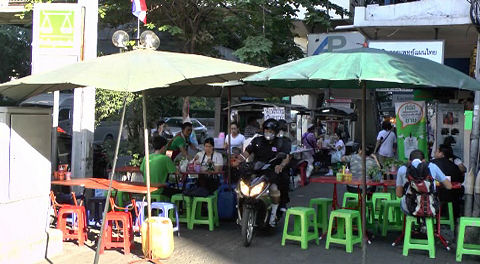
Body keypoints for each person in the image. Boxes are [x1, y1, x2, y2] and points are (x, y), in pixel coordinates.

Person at [233, 118, 291, 227]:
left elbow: (286, 157)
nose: (268, 133)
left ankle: (273, 217)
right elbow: (246, 153)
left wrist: (281, 165)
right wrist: (239, 160)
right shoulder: (257, 141)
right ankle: (240, 213)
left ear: (276, 132)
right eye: (266, 130)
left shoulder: (280, 143)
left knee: (274, 189)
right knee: (240, 187)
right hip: (256, 170)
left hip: (272, 172)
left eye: (271, 131)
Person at [396, 149, 452, 216]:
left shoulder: (402, 169)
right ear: (424, 160)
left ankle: (411, 224)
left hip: (409, 208)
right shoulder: (432, 166)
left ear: (409, 160)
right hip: (430, 208)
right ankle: (427, 224)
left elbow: (399, 194)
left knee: (403, 202)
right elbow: (449, 186)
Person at [432, 144, 464, 220]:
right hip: (450, 197)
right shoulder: (454, 166)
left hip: (435, 196)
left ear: (441, 153)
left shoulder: (432, 164)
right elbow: (460, 180)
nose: (434, 153)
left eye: (436, 151)